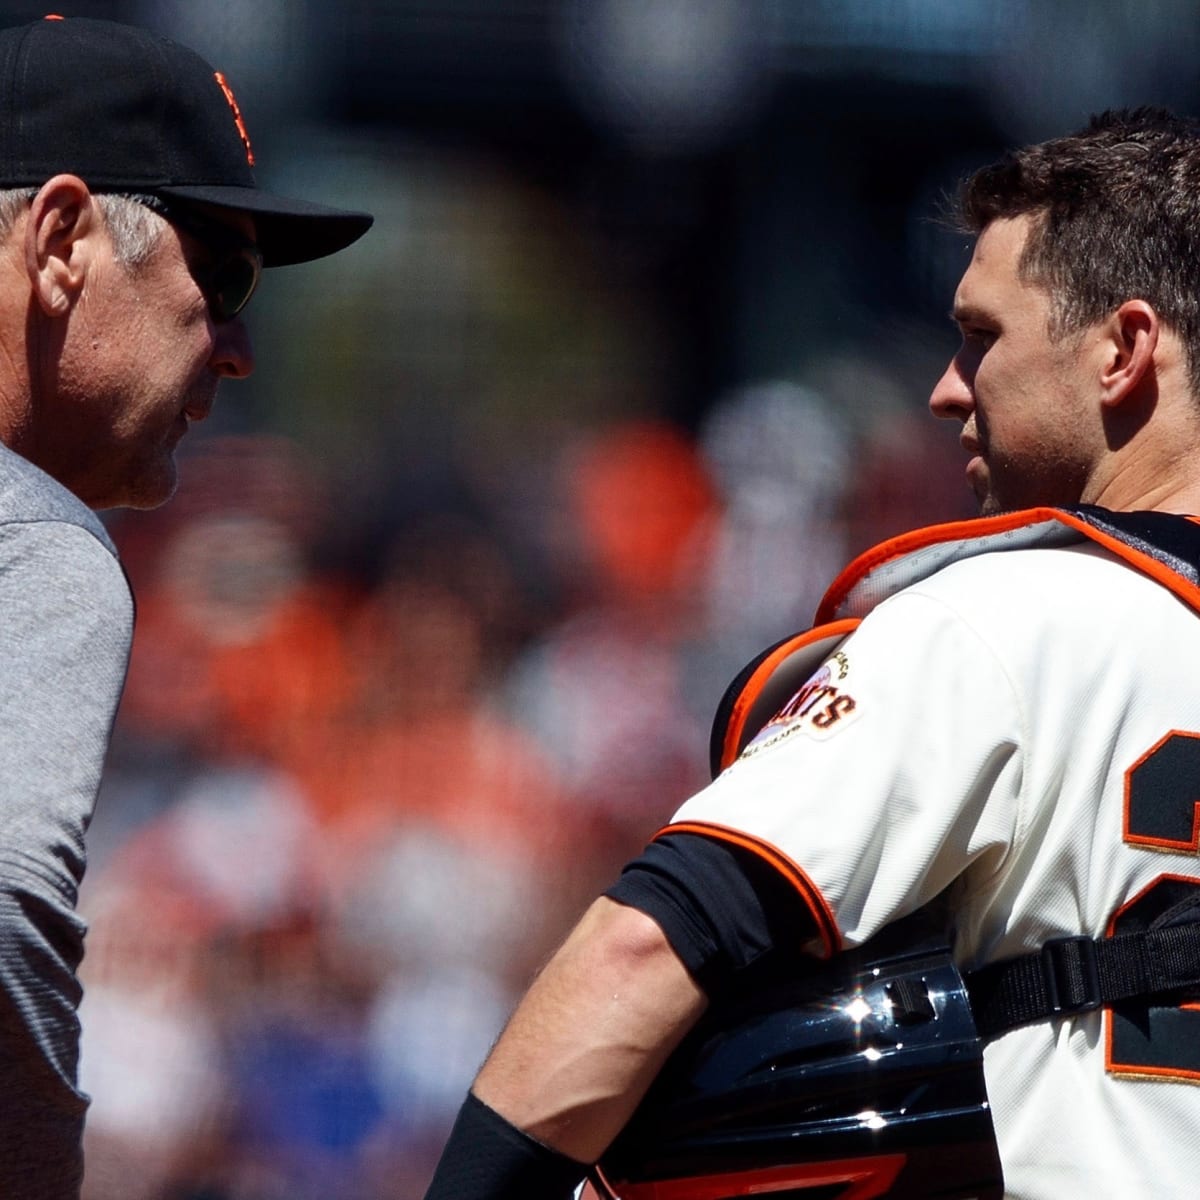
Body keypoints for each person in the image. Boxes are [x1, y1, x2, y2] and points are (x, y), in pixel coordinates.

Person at [425, 107, 1200, 1200]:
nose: (945, 387)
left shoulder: (1004, 616)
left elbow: (652, 947)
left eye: (982, 336)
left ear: (1122, 350)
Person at [0, 14, 371, 1197]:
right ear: (61, 238)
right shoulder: (32, 541)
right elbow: (4, 914)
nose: (239, 346)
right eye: (221, 274)